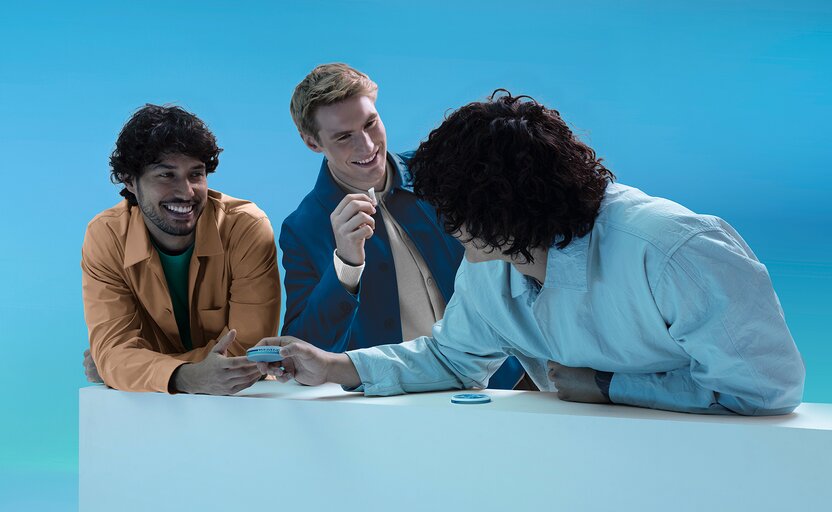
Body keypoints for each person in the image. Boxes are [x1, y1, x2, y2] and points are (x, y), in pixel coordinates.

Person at [257, 91, 805, 415]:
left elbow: (763, 387)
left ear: (504, 207)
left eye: (455, 208)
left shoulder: (673, 250)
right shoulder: (490, 264)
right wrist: (339, 366)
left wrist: (609, 387)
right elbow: (456, 358)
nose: (445, 224)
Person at [280, 64, 526, 389]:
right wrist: (346, 266)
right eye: (344, 136)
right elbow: (305, 356)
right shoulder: (303, 228)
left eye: (371, 123)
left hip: (504, 385)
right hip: (396, 404)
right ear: (312, 143)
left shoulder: (441, 173)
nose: (367, 146)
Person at [81, 104, 280, 394]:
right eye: (166, 175)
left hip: (244, 402)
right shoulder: (106, 236)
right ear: (129, 180)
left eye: (196, 174)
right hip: (149, 415)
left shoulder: (245, 228)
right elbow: (114, 352)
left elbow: (248, 354)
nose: (187, 192)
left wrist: (127, 368)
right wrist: (185, 376)